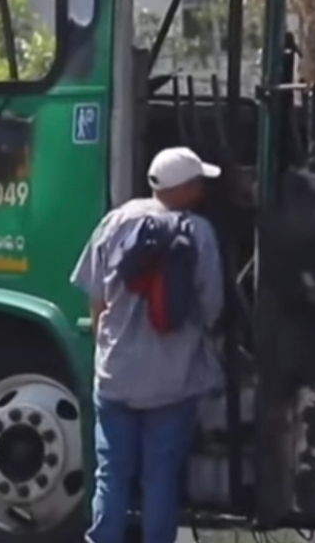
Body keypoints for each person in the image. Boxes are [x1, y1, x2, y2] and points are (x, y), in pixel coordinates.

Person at [71, 146, 226, 543]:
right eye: (198, 182)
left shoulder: (116, 221)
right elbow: (211, 307)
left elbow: (95, 295)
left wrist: (105, 335)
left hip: (116, 376)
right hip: (172, 382)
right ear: (187, 187)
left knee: (112, 476)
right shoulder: (199, 233)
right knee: (160, 478)